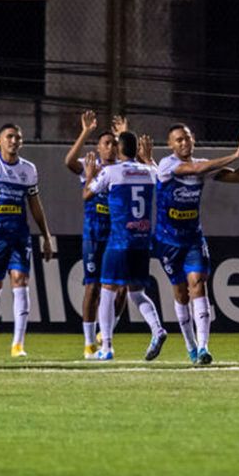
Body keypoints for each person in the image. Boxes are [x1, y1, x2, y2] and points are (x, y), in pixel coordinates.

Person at [153, 125, 239, 365]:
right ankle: (190, 345)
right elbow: (196, 169)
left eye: (187, 138)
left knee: (198, 284)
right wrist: (234, 154)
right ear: (171, 145)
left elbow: (237, 177)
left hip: (193, 239)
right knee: (180, 293)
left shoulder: (203, 165)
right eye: (178, 140)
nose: (184, 143)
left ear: (193, 139)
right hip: (168, 241)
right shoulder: (167, 165)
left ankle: (204, 348)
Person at [0, 123, 54, 358]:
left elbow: (35, 205)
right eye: (9, 137)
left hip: (19, 236)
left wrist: (46, 236)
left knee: (20, 280)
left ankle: (18, 344)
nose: (14, 141)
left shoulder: (28, 170)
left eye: (18, 137)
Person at [83, 131, 166, 361]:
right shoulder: (150, 171)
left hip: (119, 241)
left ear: (119, 149)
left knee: (107, 291)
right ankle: (157, 329)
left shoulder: (111, 172)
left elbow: (87, 194)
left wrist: (90, 175)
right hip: (142, 241)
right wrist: (148, 159)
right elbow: (164, 180)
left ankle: (107, 347)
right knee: (137, 292)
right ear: (137, 149)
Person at [64, 110, 129, 359]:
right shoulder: (90, 166)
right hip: (94, 234)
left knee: (121, 288)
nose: (111, 146)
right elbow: (69, 162)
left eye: (114, 143)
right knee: (92, 288)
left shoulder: (123, 168)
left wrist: (124, 134)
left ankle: (108, 330)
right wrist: (85, 132)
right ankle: (90, 343)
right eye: (106, 143)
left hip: (118, 236)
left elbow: (141, 166)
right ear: (99, 148)